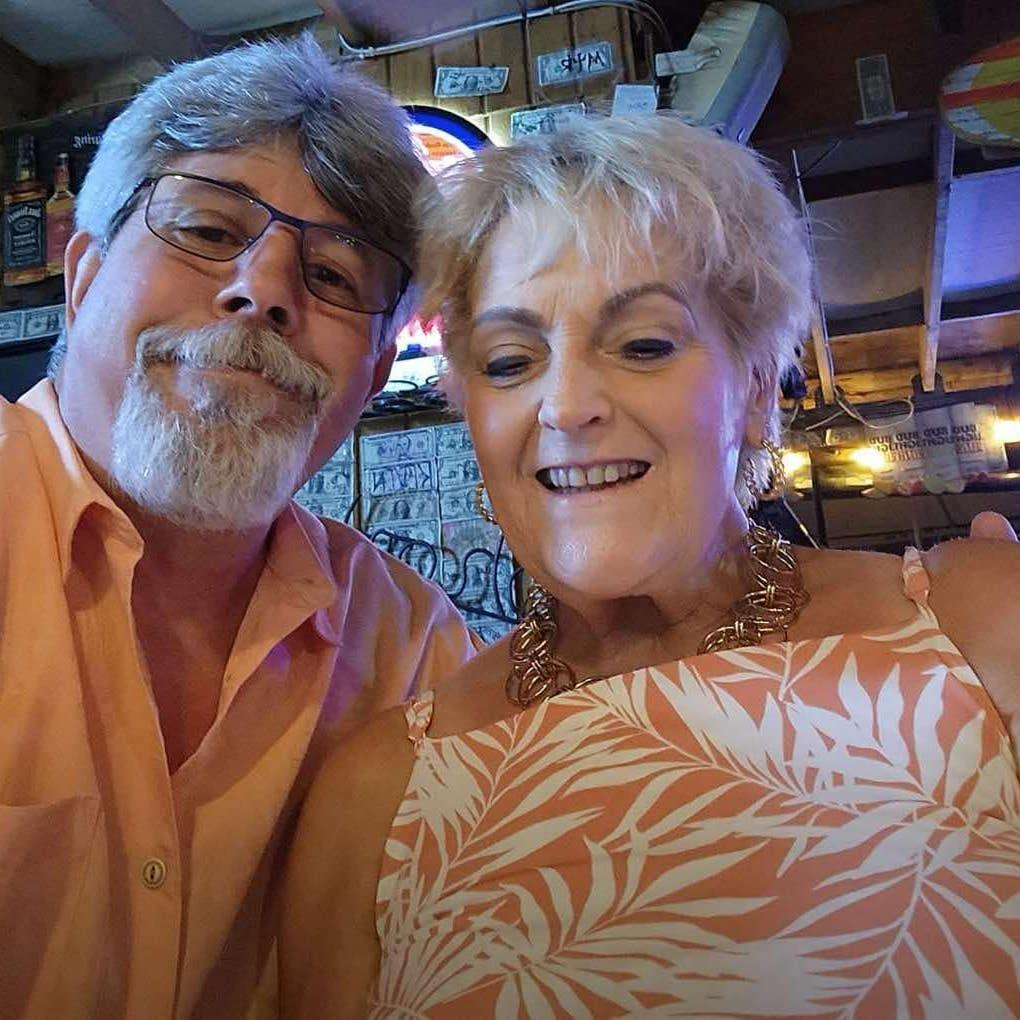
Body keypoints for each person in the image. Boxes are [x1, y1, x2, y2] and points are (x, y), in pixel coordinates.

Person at [281, 115, 1020, 1017]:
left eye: (643, 345)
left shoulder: (978, 627)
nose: (565, 405)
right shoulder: (377, 792)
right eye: (509, 362)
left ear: (755, 389)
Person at [0, 35, 479, 1019]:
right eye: (207, 228)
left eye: (335, 277)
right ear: (83, 276)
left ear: (372, 377)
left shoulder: (412, 651)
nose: (263, 291)